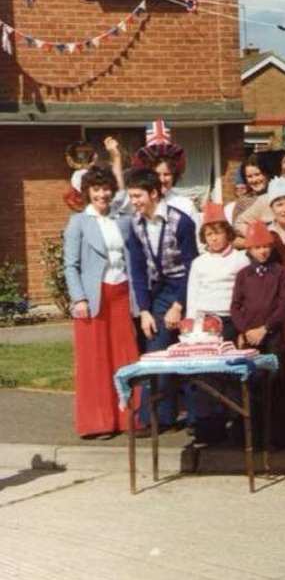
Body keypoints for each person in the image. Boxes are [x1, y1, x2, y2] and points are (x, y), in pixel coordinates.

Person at [63, 166, 140, 437]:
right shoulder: (78, 222)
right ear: (87, 192)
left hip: (121, 294)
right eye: (96, 189)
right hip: (93, 299)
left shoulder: (121, 219)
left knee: (125, 357)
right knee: (95, 360)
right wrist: (79, 298)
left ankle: (128, 418)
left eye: (106, 188)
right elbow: (70, 265)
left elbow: (132, 258)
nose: (102, 194)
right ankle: (98, 422)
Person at [124, 167, 198, 429]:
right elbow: (137, 269)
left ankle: (199, 419)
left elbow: (193, 266)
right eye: (131, 196)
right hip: (160, 291)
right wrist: (144, 309)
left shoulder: (181, 222)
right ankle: (155, 418)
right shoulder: (135, 224)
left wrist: (179, 305)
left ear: (154, 193)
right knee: (156, 351)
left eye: (137, 196)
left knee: (192, 352)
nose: (133, 202)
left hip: (188, 287)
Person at [230, 219, 285, 444]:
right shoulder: (243, 275)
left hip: (272, 335)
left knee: (275, 385)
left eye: (266, 246)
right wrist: (245, 330)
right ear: (249, 249)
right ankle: (253, 437)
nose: (263, 251)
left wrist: (265, 328)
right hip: (250, 338)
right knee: (252, 385)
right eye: (257, 247)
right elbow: (235, 306)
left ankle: (276, 437)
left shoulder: (280, 273)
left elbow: (284, 304)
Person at [185, 203, 248, 338]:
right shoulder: (199, 262)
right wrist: (191, 321)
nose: (214, 238)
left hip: (231, 318)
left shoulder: (240, 259)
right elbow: (193, 294)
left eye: (218, 233)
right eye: (209, 234)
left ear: (227, 233)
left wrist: (244, 328)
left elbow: (247, 295)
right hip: (204, 320)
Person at [231, 155, 270, 225]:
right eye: (249, 176)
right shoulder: (242, 203)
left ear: (266, 174)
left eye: (257, 174)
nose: (254, 180)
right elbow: (236, 228)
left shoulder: (278, 195)